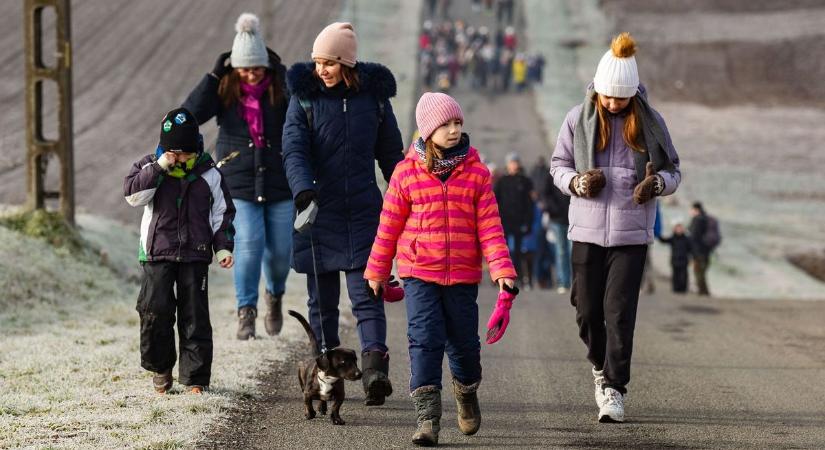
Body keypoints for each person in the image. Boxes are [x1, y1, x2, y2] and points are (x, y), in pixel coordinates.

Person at [364, 92, 516, 446]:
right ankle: (427, 418)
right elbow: (388, 226)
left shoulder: (477, 174)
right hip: (419, 272)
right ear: (427, 130)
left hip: (462, 274)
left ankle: (465, 392)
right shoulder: (405, 175)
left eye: (458, 123)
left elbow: (490, 227)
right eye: (445, 124)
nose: (453, 130)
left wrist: (502, 270)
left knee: (464, 345)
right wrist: (377, 270)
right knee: (424, 340)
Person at [550, 32, 681, 423]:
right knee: (587, 313)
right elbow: (558, 165)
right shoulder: (577, 118)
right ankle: (599, 365)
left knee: (619, 312)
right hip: (586, 232)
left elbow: (673, 170)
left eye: (620, 98)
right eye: (607, 96)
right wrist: (576, 183)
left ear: (632, 95)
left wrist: (656, 184)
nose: (612, 103)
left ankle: (613, 387)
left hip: (631, 235)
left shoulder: (651, 122)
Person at [282, 22, 404, 406]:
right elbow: (294, 149)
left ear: (346, 63)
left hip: (364, 213)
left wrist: (406, 196)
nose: (321, 69)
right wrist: (302, 190)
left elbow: (391, 155)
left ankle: (373, 375)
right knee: (322, 302)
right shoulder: (303, 100)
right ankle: (328, 375)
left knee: (368, 294)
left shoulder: (376, 101)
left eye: (330, 62)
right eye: (318, 62)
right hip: (317, 211)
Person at [183, 13, 290, 341]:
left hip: (280, 182)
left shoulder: (280, 90)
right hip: (239, 185)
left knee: (281, 253)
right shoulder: (225, 89)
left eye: (257, 68)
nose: (251, 74)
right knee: (247, 246)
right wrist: (214, 75)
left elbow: (305, 109)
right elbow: (189, 114)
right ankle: (247, 312)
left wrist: (282, 71)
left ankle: (275, 295)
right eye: (244, 68)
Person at [124, 107, 235, 395]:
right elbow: (134, 197)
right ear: (164, 148)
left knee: (194, 315)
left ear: (197, 148)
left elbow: (222, 214)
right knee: (155, 311)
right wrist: (160, 167)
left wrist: (222, 247)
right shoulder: (150, 168)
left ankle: (195, 378)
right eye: (174, 152)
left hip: (195, 255)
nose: (180, 158)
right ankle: (161, 369)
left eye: (186, 153)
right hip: (156, 254)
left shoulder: (210, 174)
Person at [494, 152, 534, 286]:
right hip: (504, 222)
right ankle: (501, 276)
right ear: (507, 165)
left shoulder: (525, 181)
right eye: (511, 162)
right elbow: (495, 201)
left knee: (518, 251)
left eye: (516, 162)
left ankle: (518, 276)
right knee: (503, 250)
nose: (514, 165)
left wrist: (528, 222)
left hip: (519, 222)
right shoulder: (502, 181)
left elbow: (530, 204)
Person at [542, 174, 571, 293]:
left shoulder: (576, 170)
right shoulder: (551, 175)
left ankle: (575, 281)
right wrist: (553, 210)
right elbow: (546, 195)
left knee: (573, 252)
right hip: (557, 219)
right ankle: (563, 281)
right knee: (561, 251)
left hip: (573, 218)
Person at [658, 223, 692, 293]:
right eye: (677, 228)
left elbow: (691, 249)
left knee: (683, 276)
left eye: (680, 228)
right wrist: (657, 234)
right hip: (674, 260)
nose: (679, 230)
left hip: (684, 260)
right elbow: (663, 241)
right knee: (675, 276)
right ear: (674, 229)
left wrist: (692, 258)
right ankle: (676, 289)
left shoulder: (687, 239)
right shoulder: (673, 238)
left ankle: (683, 290)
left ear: (683, 230)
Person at [689, 202, 712, 295]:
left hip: (698, 251)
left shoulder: (697, 219)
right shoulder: (706, 218)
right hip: (706, 250)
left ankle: (703, 292)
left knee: (698, 272)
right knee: (702, 272)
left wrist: (692, 251)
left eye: (692, 210)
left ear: (696, 209)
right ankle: (704, 291)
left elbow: (694, 236)